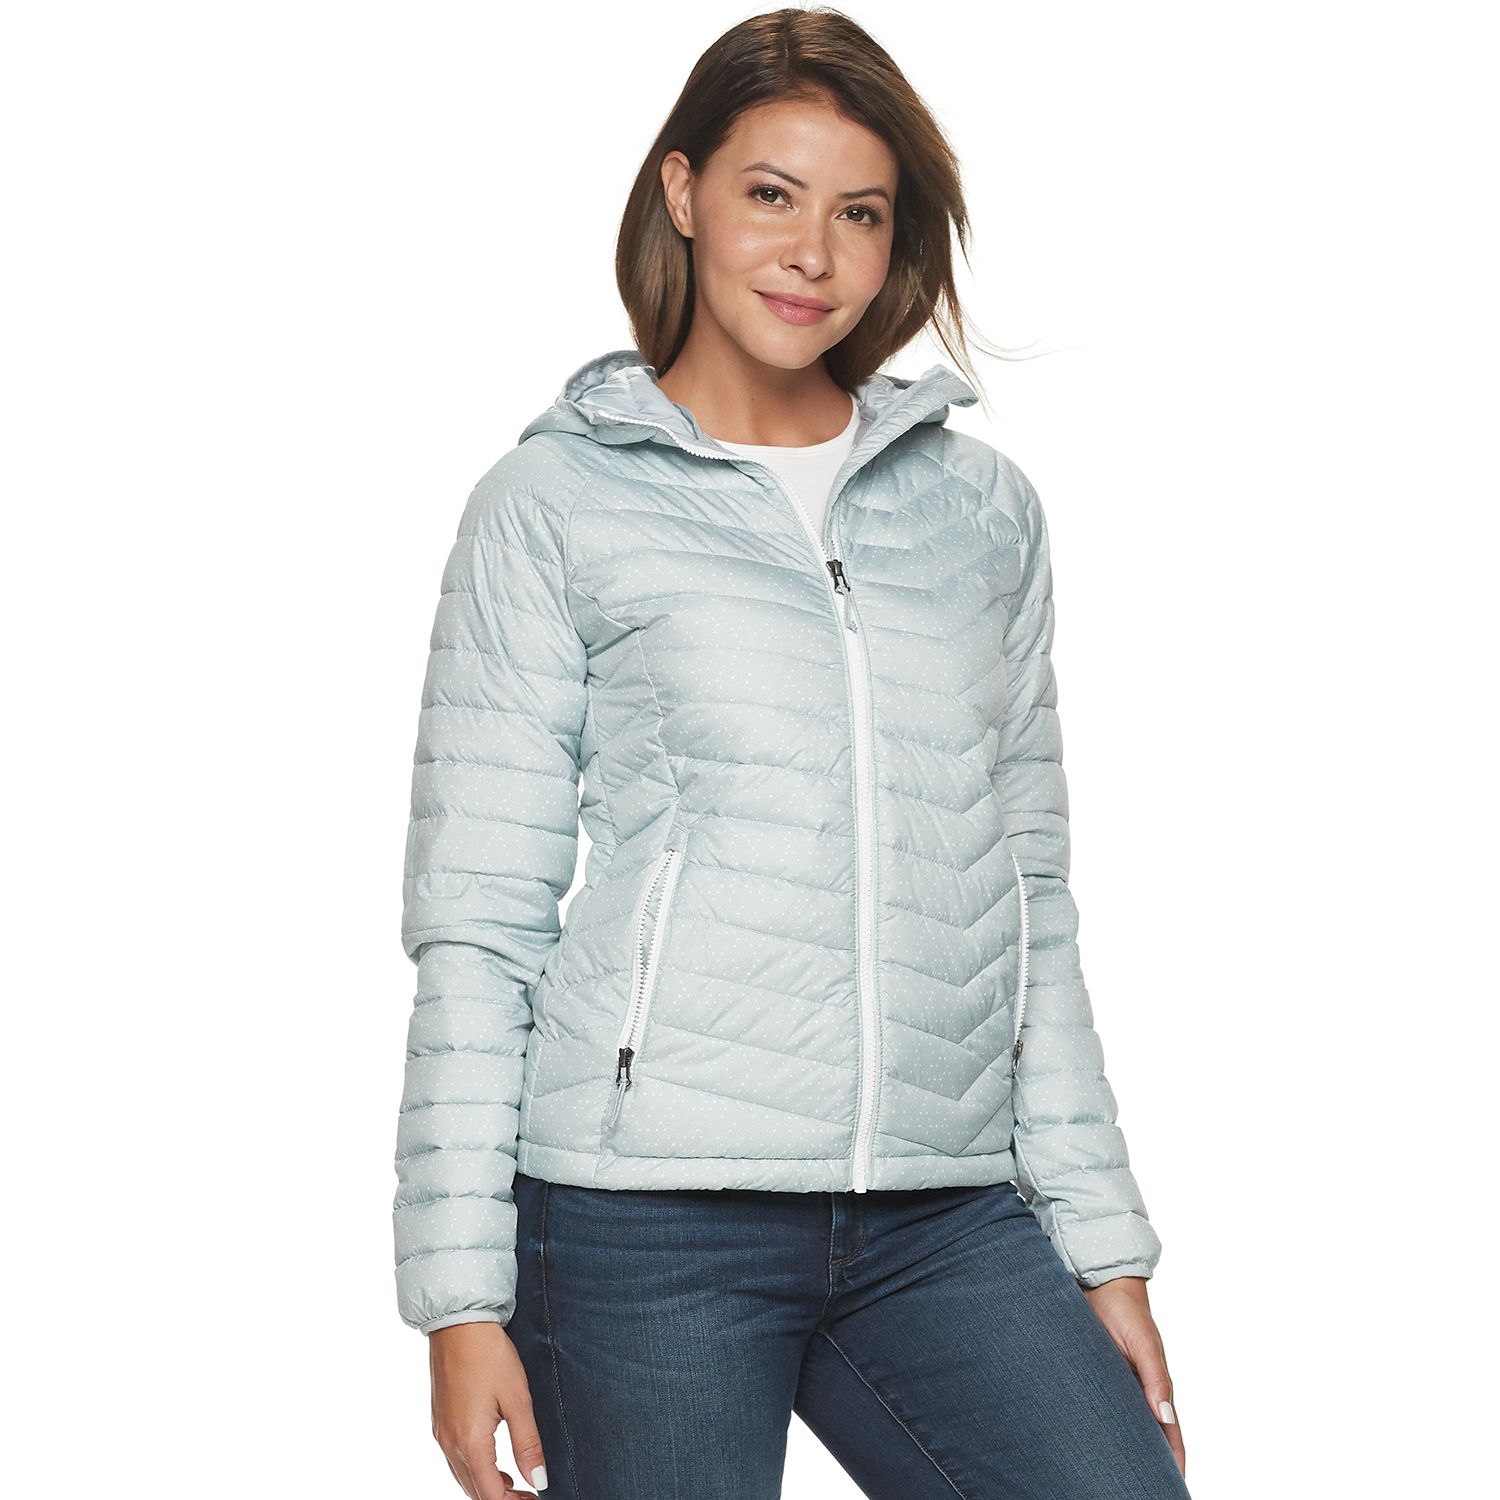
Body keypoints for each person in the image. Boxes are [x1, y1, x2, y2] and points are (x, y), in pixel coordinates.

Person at [392, 10, 1189, 1498]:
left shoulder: (980, 516)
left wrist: (1102, 1245)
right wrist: (459, 1298)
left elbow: (1028, 902)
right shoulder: (554, 503)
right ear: (684, 191)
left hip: (944, 1210)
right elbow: (480, 919)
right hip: (644, 1216)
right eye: (772, 193)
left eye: (860, 213)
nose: (812, 252)